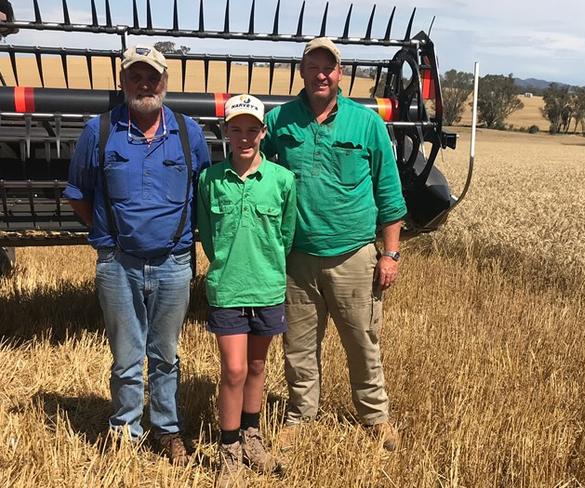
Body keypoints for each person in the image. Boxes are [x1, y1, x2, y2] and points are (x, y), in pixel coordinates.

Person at [63, 45, 210, 464]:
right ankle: (124, 429)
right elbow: (78, 194)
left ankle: (166, 429)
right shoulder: (101, 130)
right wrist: (108, 236)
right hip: (118, 264)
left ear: (165, 82)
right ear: (122, 81)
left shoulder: (187, 132)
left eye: (152, 77)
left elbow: (202, 191)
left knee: (166, 355)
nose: (144, 84)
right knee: (126, 357)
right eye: (136, 76)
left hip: (174, 263)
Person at [262, 37, 407, 451]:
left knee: (363, 342)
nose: (321, 74)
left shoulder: (366, 124)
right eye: (313, 66)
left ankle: (375, 417)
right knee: (299, 347)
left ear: (340, 74)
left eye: (329, 67)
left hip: (354, 255)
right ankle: (300, 415)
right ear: (302, 72)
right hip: (297, 258)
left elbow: (389, 194)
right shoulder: (279, 122)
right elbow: (256, 167)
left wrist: (390, 253)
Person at [197, 95, 296, 477]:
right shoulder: (210, 179)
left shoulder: (282, 180)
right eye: (236, 129)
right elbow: (207, 235)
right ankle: (229, 450)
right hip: (227, 288)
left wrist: (266, 267)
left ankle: (252, 437)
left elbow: (286, 235)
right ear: (225, 132)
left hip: (268, 287)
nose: (244, 137)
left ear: (263, 133)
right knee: (234, 369)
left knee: (257, 366)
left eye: (252, 129)